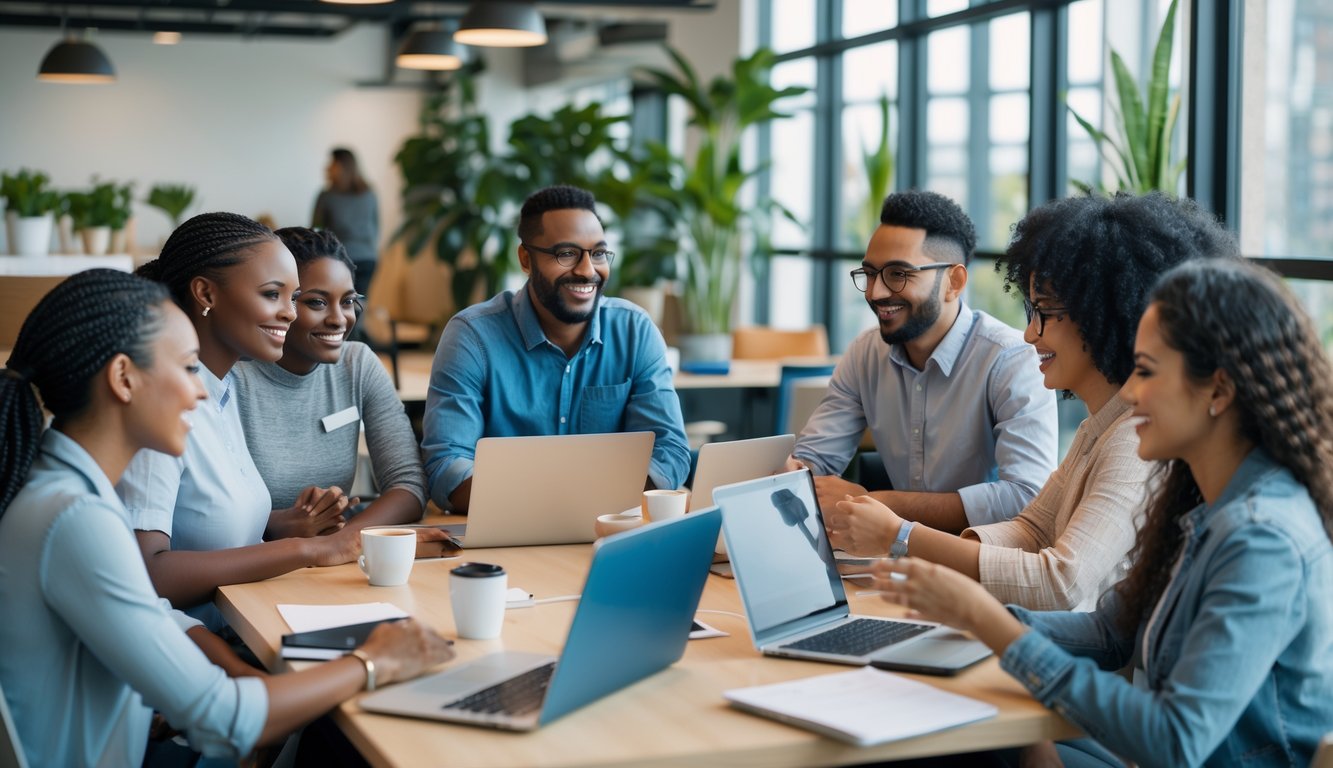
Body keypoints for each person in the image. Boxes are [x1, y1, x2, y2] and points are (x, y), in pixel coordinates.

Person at [870, 258, 1333, 767]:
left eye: (1147, 372)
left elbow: (1175, 741)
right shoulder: (1201, 500)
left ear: (1218, 391)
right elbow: (1113, 633)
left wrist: (988, 622)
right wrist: (969, 617)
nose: (1131, 393)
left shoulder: (1261, 538)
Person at [0, 269, 454, 767]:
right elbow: (224, 719)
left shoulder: (57, 488)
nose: (199, 393)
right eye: (188, 367)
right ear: (124, 378)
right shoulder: (76, 517)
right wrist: (374, 660)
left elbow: (150, 618)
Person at [827, 193, 1236, 611]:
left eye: (1043, 312)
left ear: (1100, 317)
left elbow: (1061, 582)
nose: (1029, 334)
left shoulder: (1133, 440)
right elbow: (1031, 530)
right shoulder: (1097, 428)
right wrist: (913, 550)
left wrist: (901, 537)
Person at [119, 213, 365, 629]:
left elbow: (198, 521)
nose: (289, 313)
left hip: (255, 622)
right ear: (205, 293)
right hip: (204, 651)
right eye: (273, 295)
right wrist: (310, 551)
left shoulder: (222, 391)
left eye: (295, 297)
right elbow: (148, 573)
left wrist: (283, 525)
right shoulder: (162, 408)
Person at [788, 189, 1057, 532]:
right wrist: (796, 473)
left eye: (898, 274)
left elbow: (1026, 497)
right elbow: (815, 461)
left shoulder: (1010, 360)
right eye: (869, 273)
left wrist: (878, 504)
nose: (875, 292)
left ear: (953, 282)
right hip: (891, 559)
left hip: (982, 567)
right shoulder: (865, 354)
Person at [422, 185, 691, 512]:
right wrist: (566, 504)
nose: (587, 270)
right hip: (507, 538)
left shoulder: (635, 330)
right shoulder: (472, 336)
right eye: (566, 254)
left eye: (598, 253)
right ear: (525, 258)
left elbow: (669, 451)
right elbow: (446, 466)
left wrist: (577, 504)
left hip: (609, 531)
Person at [233, 227, 441, 549]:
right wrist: (275, 524)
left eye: (348, 302)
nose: (339, 319)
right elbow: (206, 515)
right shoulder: (233, 378)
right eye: (317, 302)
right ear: (278, 302)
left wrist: (343, 542)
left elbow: (409, 485)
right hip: (253, 562)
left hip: (331, 563)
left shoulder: (357, 364)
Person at [313, 147, 379, 298]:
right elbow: (375, 227)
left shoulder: (326, 196)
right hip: (368, 257)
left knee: (340, 303)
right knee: (359, 304)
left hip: (339, 259)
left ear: (342, 166)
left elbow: (315, 231)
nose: (327, 167)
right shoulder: (370, 193)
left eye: (332, 163)